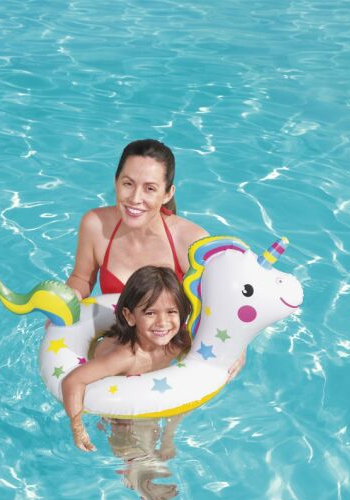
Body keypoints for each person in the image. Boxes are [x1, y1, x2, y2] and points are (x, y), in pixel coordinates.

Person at [64, 138, 245, 378]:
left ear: (167, 193)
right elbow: (81, 278)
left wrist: (236, 342)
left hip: (168, 350)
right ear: (116, 182)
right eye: (128, 184)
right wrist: (67, 300)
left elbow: (225, 299)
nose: (135, 198)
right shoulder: (95, 225)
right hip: (122, 339)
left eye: (150, 188)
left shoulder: (191, 241)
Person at [61, 266, 192, 452]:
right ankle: (134, 462)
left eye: (171, 312)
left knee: (182, 397)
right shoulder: (125, 357)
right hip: (119, 397)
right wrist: (77, 427)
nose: (163, 322)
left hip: (150, 389)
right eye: (150, 313)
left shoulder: (178, 343)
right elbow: (73, 381)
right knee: (126, 431)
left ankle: (167, 439)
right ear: (130, 316)